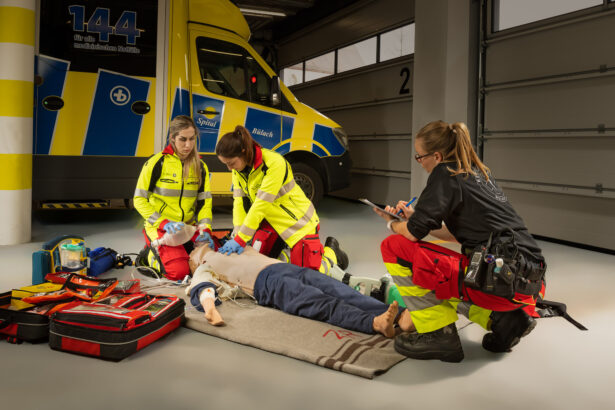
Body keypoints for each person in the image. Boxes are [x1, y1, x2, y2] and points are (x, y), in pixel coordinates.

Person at [373, 120, 547, 363]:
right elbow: (459, 234)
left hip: (497, 281)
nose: (420, 163)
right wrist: (418, 218)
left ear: (436, 155)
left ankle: (438, 334)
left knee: (394, 248)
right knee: (459, 268)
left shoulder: (445, 173)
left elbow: (412, 234)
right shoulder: (479, 173)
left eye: (419, 157)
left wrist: (391, 223)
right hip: (525, 283)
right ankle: (507, 320)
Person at [185, 243, 403, 338]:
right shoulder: (205, 265)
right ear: (194, 262)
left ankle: (400, 316)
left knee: (338, 289)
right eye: (192, 253)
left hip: (285, 268)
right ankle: (375, 323)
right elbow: (202, 287)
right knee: (320, 302)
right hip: (267, 284)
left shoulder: (232, 247)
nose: (195, 249)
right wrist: (210, 309)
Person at [214, 125, 348, 274]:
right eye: (226, 164)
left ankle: (332, 253)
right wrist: (237, 233)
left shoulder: (274, 163)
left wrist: (240, 240)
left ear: (244, 153)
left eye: (231, 163)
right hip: (271, 221)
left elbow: (260, 205)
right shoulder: (239, 170)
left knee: (309, 275)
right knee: (259, 262)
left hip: (297, 222)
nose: (229, 169)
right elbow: (239, 202)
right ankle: (284, 253)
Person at [133, 115, 214, 281]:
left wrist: (205, 229)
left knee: (212, 265)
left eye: (192, 139)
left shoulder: (201, 166)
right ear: (172, 138)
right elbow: (139, 200)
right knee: (179, 273)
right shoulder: (157, 163)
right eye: (182, 139)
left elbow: (205, 203)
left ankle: (183, 248)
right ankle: (149, 255)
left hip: (188, 228)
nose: (188, 145)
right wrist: (164, 223)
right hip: (162, 229)